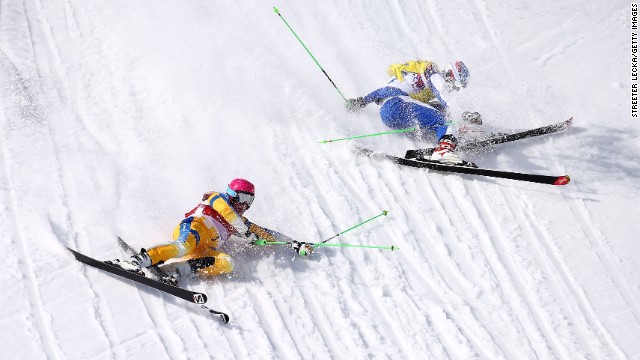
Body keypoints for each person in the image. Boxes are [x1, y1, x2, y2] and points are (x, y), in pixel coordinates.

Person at [107, 178, 313, 283]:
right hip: (194, 229)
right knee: (182, 246)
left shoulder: (241, 221)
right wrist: (245, 231)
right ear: (232, 194)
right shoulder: (217, 198)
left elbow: (265, 233)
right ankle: (138, 261)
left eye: (249, 201)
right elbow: (228, 213)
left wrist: (294, 243)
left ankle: (177, 271)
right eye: (242, 198)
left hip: (206, 247)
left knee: (227, 263)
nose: (245, 204)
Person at [346, 60, 481, 164]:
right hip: (398, 104)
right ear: (451, 76)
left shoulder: (409, 79)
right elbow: (444, 94)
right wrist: (463, 113)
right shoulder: (433, 72)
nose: (455, 89)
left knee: (438, 111)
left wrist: (361, 101)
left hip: (387, 114)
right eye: (456, 85)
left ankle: (452, 137)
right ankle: (444, 151)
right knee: (445, 118)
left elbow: (382, 91)